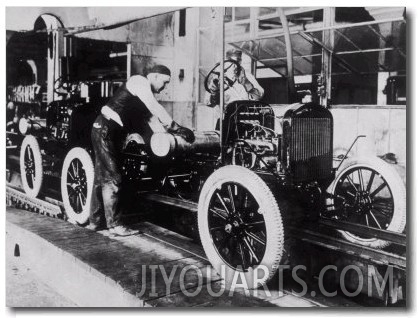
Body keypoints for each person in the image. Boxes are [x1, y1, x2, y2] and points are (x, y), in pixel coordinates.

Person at [88, 65, 194, 236]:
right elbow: (154, 107)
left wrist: (169, 139)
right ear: (156, 76)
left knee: (101, 178)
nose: (164, 88)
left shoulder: (141, 92)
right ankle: (115, 226)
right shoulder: (139, 81)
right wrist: (176, 127)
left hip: (104, 130)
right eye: (164, 83)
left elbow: (152, 119)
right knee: (113, 178)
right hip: (105, 130)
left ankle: (95, 222)